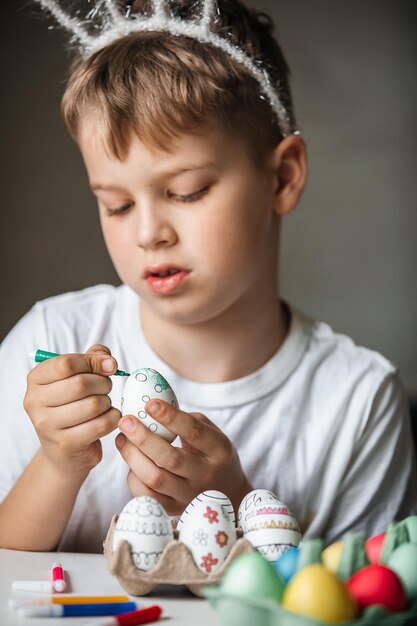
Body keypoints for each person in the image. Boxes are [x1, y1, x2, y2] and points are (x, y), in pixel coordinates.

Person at [0, 0, 415, 553]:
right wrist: (56, 464)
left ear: (283, 177)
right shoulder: (49, 342)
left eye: (186, 191)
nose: (149, 232)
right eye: (118, 204)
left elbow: (366, 601)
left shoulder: (356, 404)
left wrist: (241, 506)